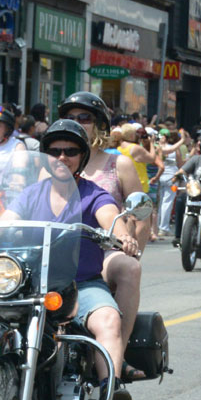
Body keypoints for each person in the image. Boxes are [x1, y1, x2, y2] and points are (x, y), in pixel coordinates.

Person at [0, 119, 143, 400]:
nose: (62, 157)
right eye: (54, 151)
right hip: (29, 283)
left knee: (108, 321)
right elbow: (5, 222)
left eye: (70, 151)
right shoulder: (31, 194)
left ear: (82, 157)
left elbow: (110, 216)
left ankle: (109, 390)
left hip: (81, 284)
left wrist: (122, 235)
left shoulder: (93, 194)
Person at [54, 92, 146, 339]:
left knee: (129, 267)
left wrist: (130, 245)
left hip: (103, 251)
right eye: (70, 117)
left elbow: (142, 213)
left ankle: (119, 352)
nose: (78, 122)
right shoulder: (53, 161)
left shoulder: (119, 164)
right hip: (53, 249)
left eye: (85, 117)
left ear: (99, 125)